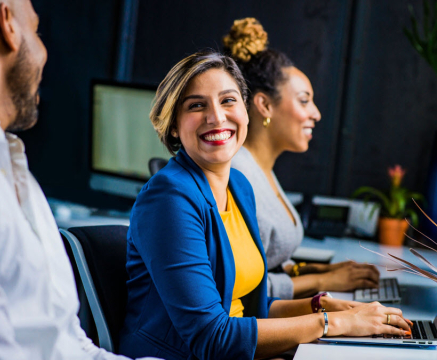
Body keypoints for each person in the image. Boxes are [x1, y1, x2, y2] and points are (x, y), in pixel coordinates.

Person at [119, 51, 411, 360]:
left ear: (246, 112)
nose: (217, 116)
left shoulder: (239, 187)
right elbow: (212, 338)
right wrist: (332, 322)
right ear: (174, 126)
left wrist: (323, 306)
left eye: (228, 101)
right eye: (196, 105)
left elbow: (253, 309)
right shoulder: (169, 198)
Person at [0, 1, 158, 359]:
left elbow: (66, 343)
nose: (45, 52)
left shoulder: (10, 167)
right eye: (36, 31)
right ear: (8, 25)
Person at [224, 18, 380, 299]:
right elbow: (241, 289)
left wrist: (317, 272)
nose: (316, 114)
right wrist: (323, 282)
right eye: (304, 100)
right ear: (265, 105)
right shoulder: (238, 175)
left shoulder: (261, 170)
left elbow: (268, 264)